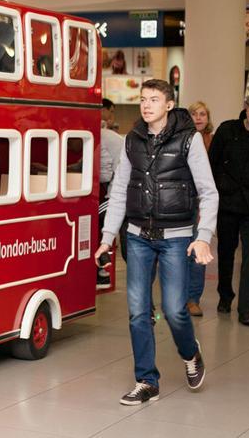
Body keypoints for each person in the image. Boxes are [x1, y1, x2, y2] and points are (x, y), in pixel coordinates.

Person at [95, 79, 217, 405]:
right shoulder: (132, 139)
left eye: (153, 99)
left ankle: (190, 354)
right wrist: (107, 237)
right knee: (138, 312)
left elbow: (209, 192)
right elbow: (119, 191)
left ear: (169, 105)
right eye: (143, 99)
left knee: (174, 310)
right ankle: (146, 381)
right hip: (138, 237)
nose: (146, 105)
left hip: (176, 238)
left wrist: (203, 237)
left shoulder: (189, 139)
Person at [208, 92, 249, 326]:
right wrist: (219, 187)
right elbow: (212, 162)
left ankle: (246, 309)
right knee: (225, 253)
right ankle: (225, 297)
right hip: (228, 203)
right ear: (246, 108)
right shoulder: (227, 130)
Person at [186, 101, 215, 316]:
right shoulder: (182, 139)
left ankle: (193, 299)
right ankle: (179, 297)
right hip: (182, 202)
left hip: (203, 202)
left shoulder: (214, 142)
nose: (198, 118)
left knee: (199, 252)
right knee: (179, 252)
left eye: (202, 114)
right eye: (194, 114)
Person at [97, 98, 125, 289]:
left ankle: (102, 271)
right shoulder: (107, 135)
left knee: (99, 219)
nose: (112, 115)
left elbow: (105, 173)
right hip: (120, 190)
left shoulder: (102, 135)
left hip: (117, 191)